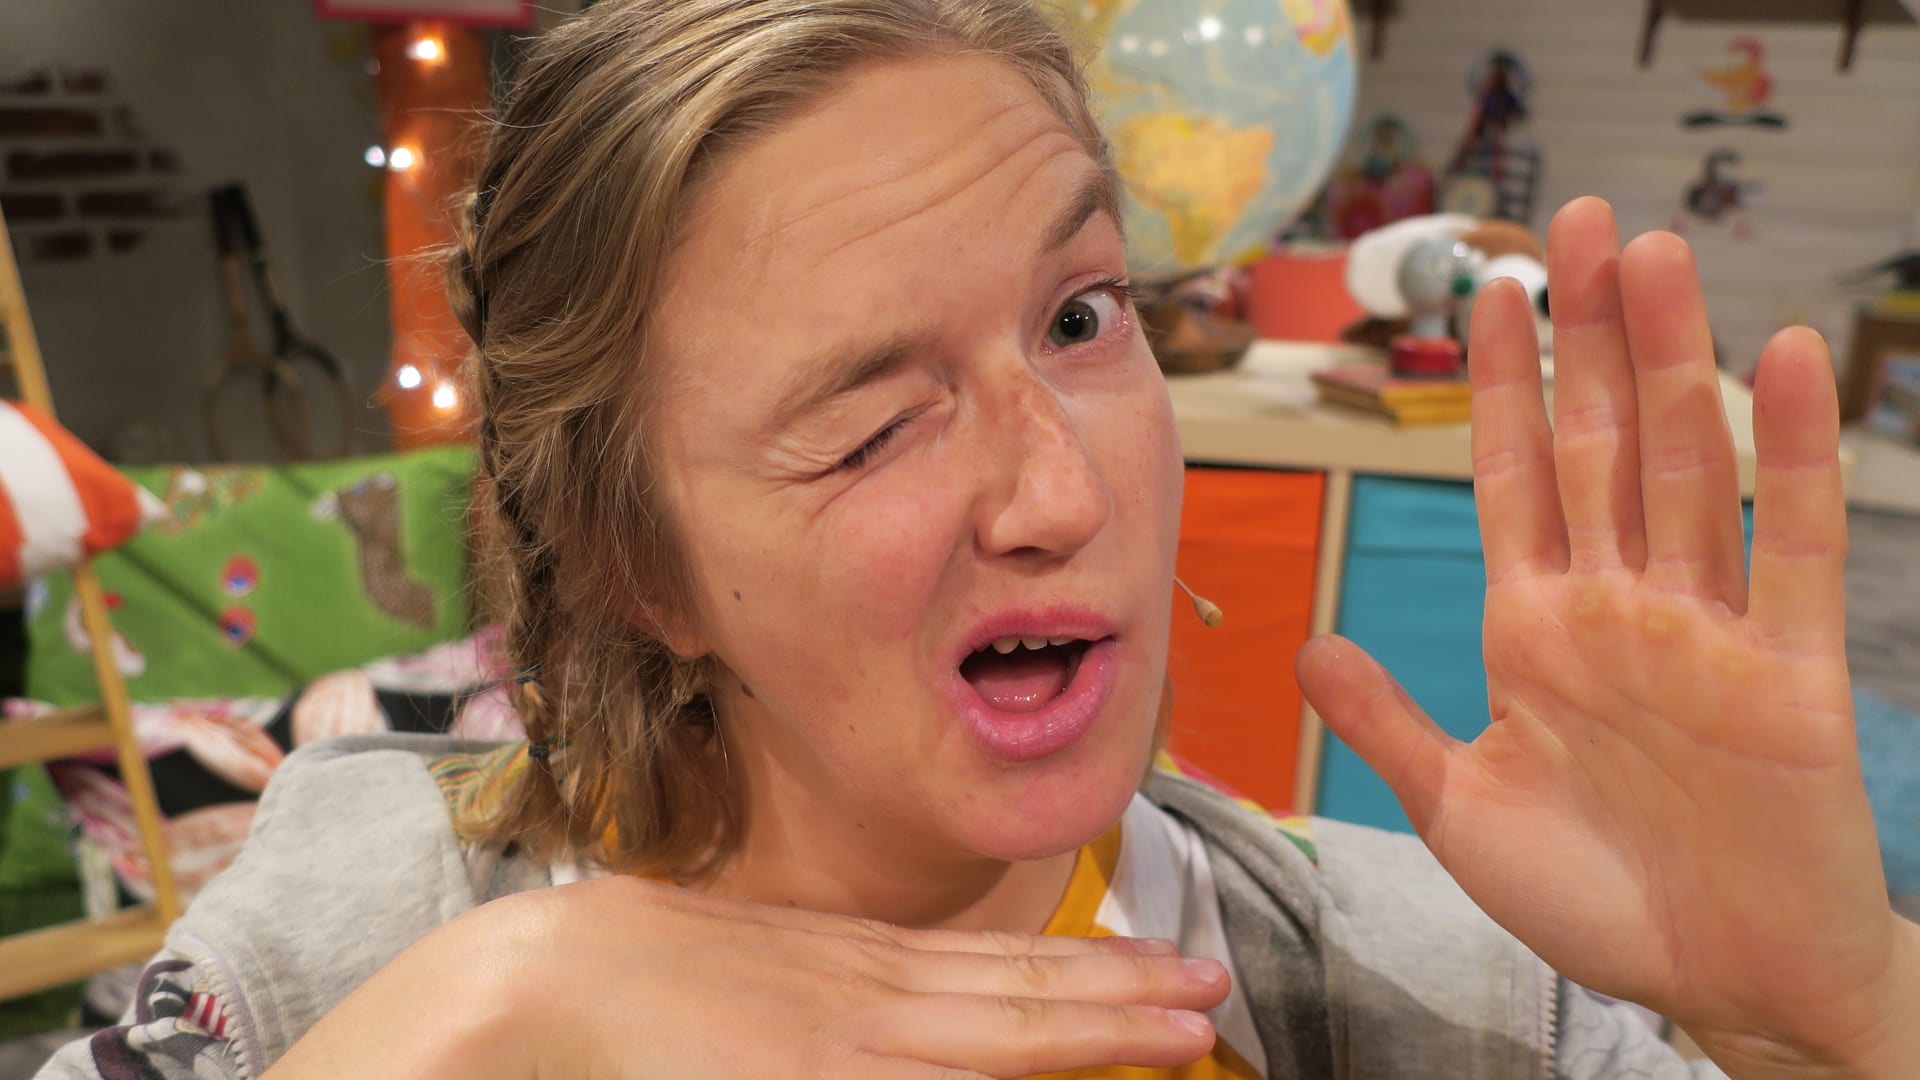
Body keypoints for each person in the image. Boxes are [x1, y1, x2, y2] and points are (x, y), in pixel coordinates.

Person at [36, 2, 1914, 1077]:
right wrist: (492, 1011)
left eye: (1081, 317)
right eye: (871, 423)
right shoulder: (382, 919)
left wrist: (1840, 1011)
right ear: (639, 566)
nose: (1062, 496)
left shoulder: (1445, 978)